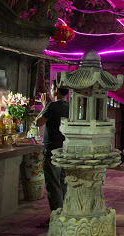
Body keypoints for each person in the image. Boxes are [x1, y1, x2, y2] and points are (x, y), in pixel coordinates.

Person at [35, 80, 69, 227]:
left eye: (52, 87)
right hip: (64, 149)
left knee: (53, 183)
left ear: (56, 90)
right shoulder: (69, 106)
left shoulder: (52, 106)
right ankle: (65, 214)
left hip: (52, 150)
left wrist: (44, 106)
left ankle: (56, 217)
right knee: (63, 183)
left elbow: (38, 122)